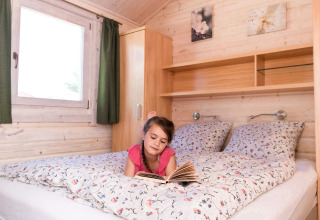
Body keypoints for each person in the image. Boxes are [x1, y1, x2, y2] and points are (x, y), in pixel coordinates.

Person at [124, 113, 176, 177]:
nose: (157, 144)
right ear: (143, 135)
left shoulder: (168, 155)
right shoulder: (134, 152)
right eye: (153, 137)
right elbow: (128, 179)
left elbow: (172, 180)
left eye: (162, 141)